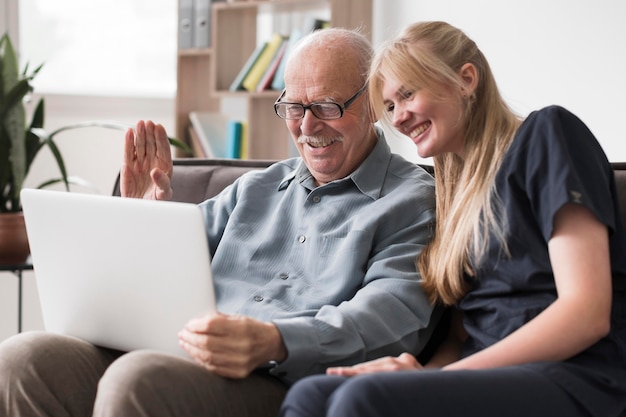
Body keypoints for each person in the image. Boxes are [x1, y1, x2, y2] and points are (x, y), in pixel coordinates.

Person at [0, 28, 440, 417]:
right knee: (23, 357)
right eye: (292, 107)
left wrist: (274, 340)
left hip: (279, 381)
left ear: (373, 104)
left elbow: (391, 317)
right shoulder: (256, 189)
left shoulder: (412, 201)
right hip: (182, 353)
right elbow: (167, 268)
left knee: (137, 378)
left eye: (326, 106)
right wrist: (144, 221)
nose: (307, 126)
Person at [280, 21, 626, 417]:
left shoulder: (547, 135)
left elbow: (587, 312)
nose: (398, 118)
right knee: (312, 395)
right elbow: (463, 333)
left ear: (465, 80)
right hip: (483, 377)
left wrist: (436, 380)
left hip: (572, 375)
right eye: (390, 106)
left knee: (361, 400)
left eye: (408, 94)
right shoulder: (454, 192)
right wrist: (424, 372)